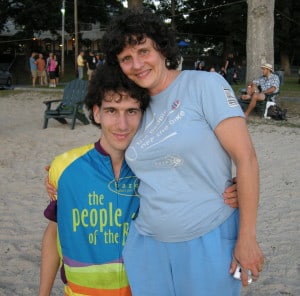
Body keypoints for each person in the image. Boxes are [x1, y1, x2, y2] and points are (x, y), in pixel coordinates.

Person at [101, 9, 264, 296]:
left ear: (161, 48)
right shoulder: (134, 105)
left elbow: (246, 157)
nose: (137, 64)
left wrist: (247, 237)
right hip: (147, 245)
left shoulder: (204, 85)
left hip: (209, 237)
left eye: (143, 51)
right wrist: (64, 171)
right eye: (126, 58)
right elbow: (109, 151)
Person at [39, 63, 151, 296]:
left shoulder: (157, 170)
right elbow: (54, 232)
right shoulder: (65, 167)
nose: (122, 125)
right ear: (96, 112)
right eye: (112, 110)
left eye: (132, 111)